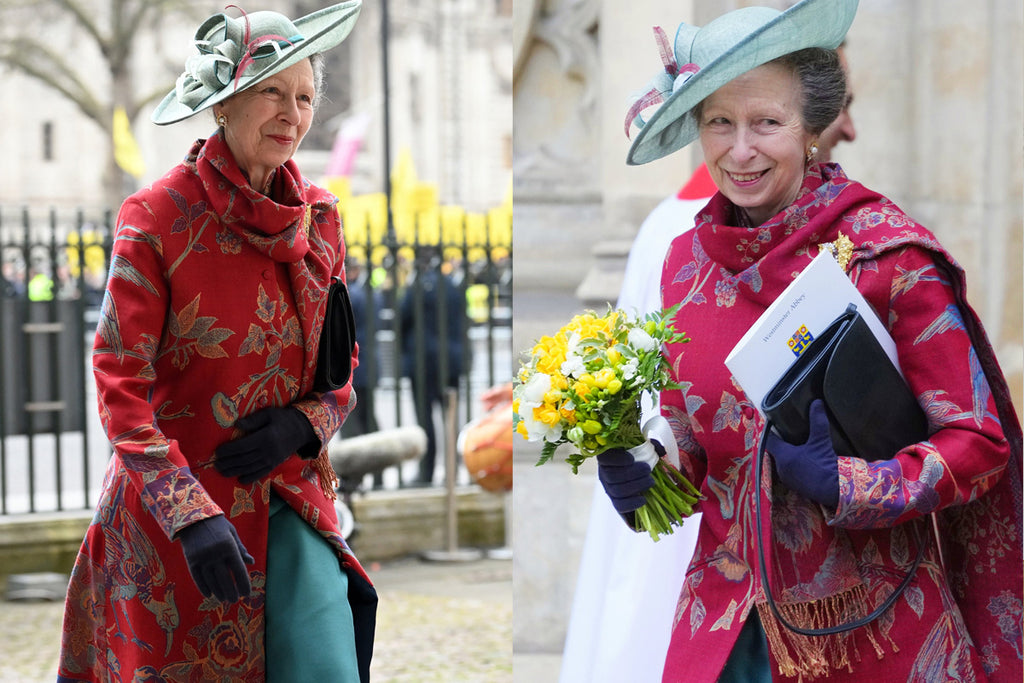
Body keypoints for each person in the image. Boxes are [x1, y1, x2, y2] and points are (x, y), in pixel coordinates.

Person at [595, 1, 1023, 681]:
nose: (740, 150)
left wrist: (854, 482)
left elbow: (982, 442)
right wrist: (648, 471)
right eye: (719, 122)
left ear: (813, 128)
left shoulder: (888, 254)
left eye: (766, 122)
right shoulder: (682, 264)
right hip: (724, 634)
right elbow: (697, 445)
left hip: (875, 634)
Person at [57, 4, 376, 682]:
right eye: (271, 91)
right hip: (176, 533)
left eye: (304, 97)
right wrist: (186, 512)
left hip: (288, 505)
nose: (291, 112)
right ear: (223, 103)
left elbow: (340, 365)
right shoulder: (154, 218)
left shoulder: (322, 220)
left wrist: (303, 423)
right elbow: (120, 386)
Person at [561, 36, 861, 683]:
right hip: (696, 533)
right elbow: (669, 418)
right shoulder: (680, 237)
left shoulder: (860, 239)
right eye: (724, 121)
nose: (851, 127)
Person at [399, 248, 465, 485]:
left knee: (425, 420)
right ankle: (453, 469)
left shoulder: (417, 286)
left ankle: (427, 472)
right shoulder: (452, 286)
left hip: (423, 362)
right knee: (452, 417)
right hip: (451, 360)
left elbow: (402, 317)